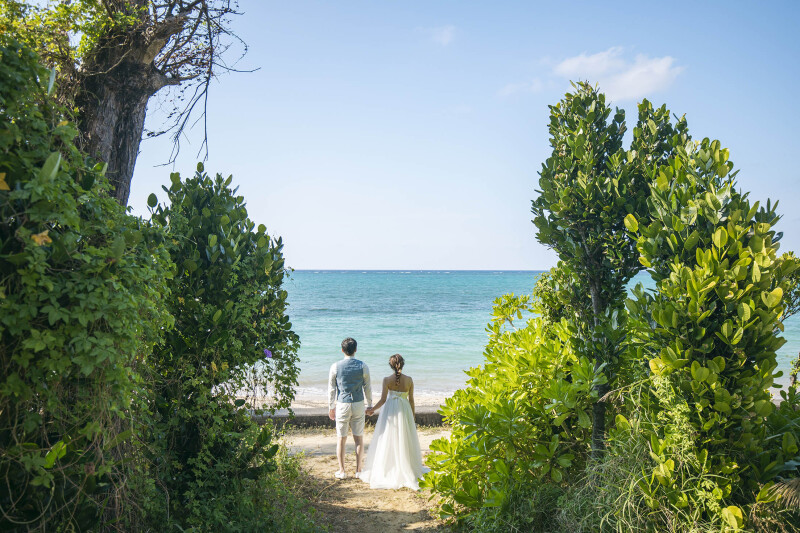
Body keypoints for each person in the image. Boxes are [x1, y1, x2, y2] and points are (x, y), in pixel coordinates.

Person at [360, 354, 429, 490]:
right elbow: (411, 400)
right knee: (404, 437)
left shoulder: (387, 380)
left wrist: (372, 410)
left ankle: (390, 466)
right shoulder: (409, 380)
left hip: (390, 410)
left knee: (388, 437)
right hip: (404, 410)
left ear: (391, 366)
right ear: (403, 364)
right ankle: (405, 465)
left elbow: (383, 400)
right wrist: (412, 416)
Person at [328, 337, 372, 479]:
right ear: (356, 350)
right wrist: (370, 404)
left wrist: (331, 406)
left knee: (341, 439)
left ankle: (342, 471)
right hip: (358, 403)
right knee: (358, 439)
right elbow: (368, 387)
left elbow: (332, 389)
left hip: (342, 404)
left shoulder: (335, 366)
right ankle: (358, 470)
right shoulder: (363, 366)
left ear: (342, 350)